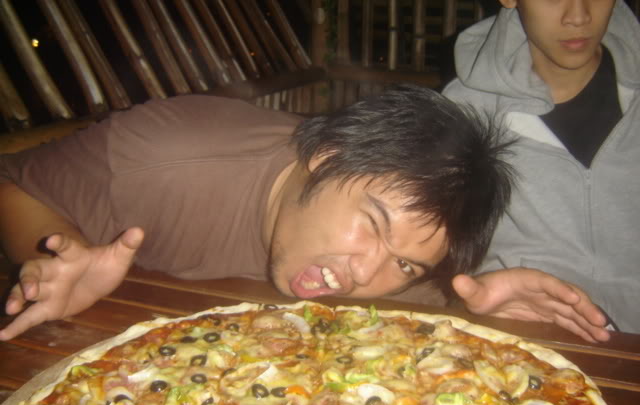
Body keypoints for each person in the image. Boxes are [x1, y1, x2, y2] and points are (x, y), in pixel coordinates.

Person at [0, 84, 515, 341]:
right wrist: (60, 251)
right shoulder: (162, 157)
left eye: (403, 264)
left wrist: (484, 303)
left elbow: (437, 292)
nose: (364, 274)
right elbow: (10, 182)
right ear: (325, 157)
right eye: (374, 225)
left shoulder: (398, 264)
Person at [442, 0, 640, 340]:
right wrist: (471, 298)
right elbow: (437, 249)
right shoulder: (466, 111)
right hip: (523, 341)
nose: (578, 16)